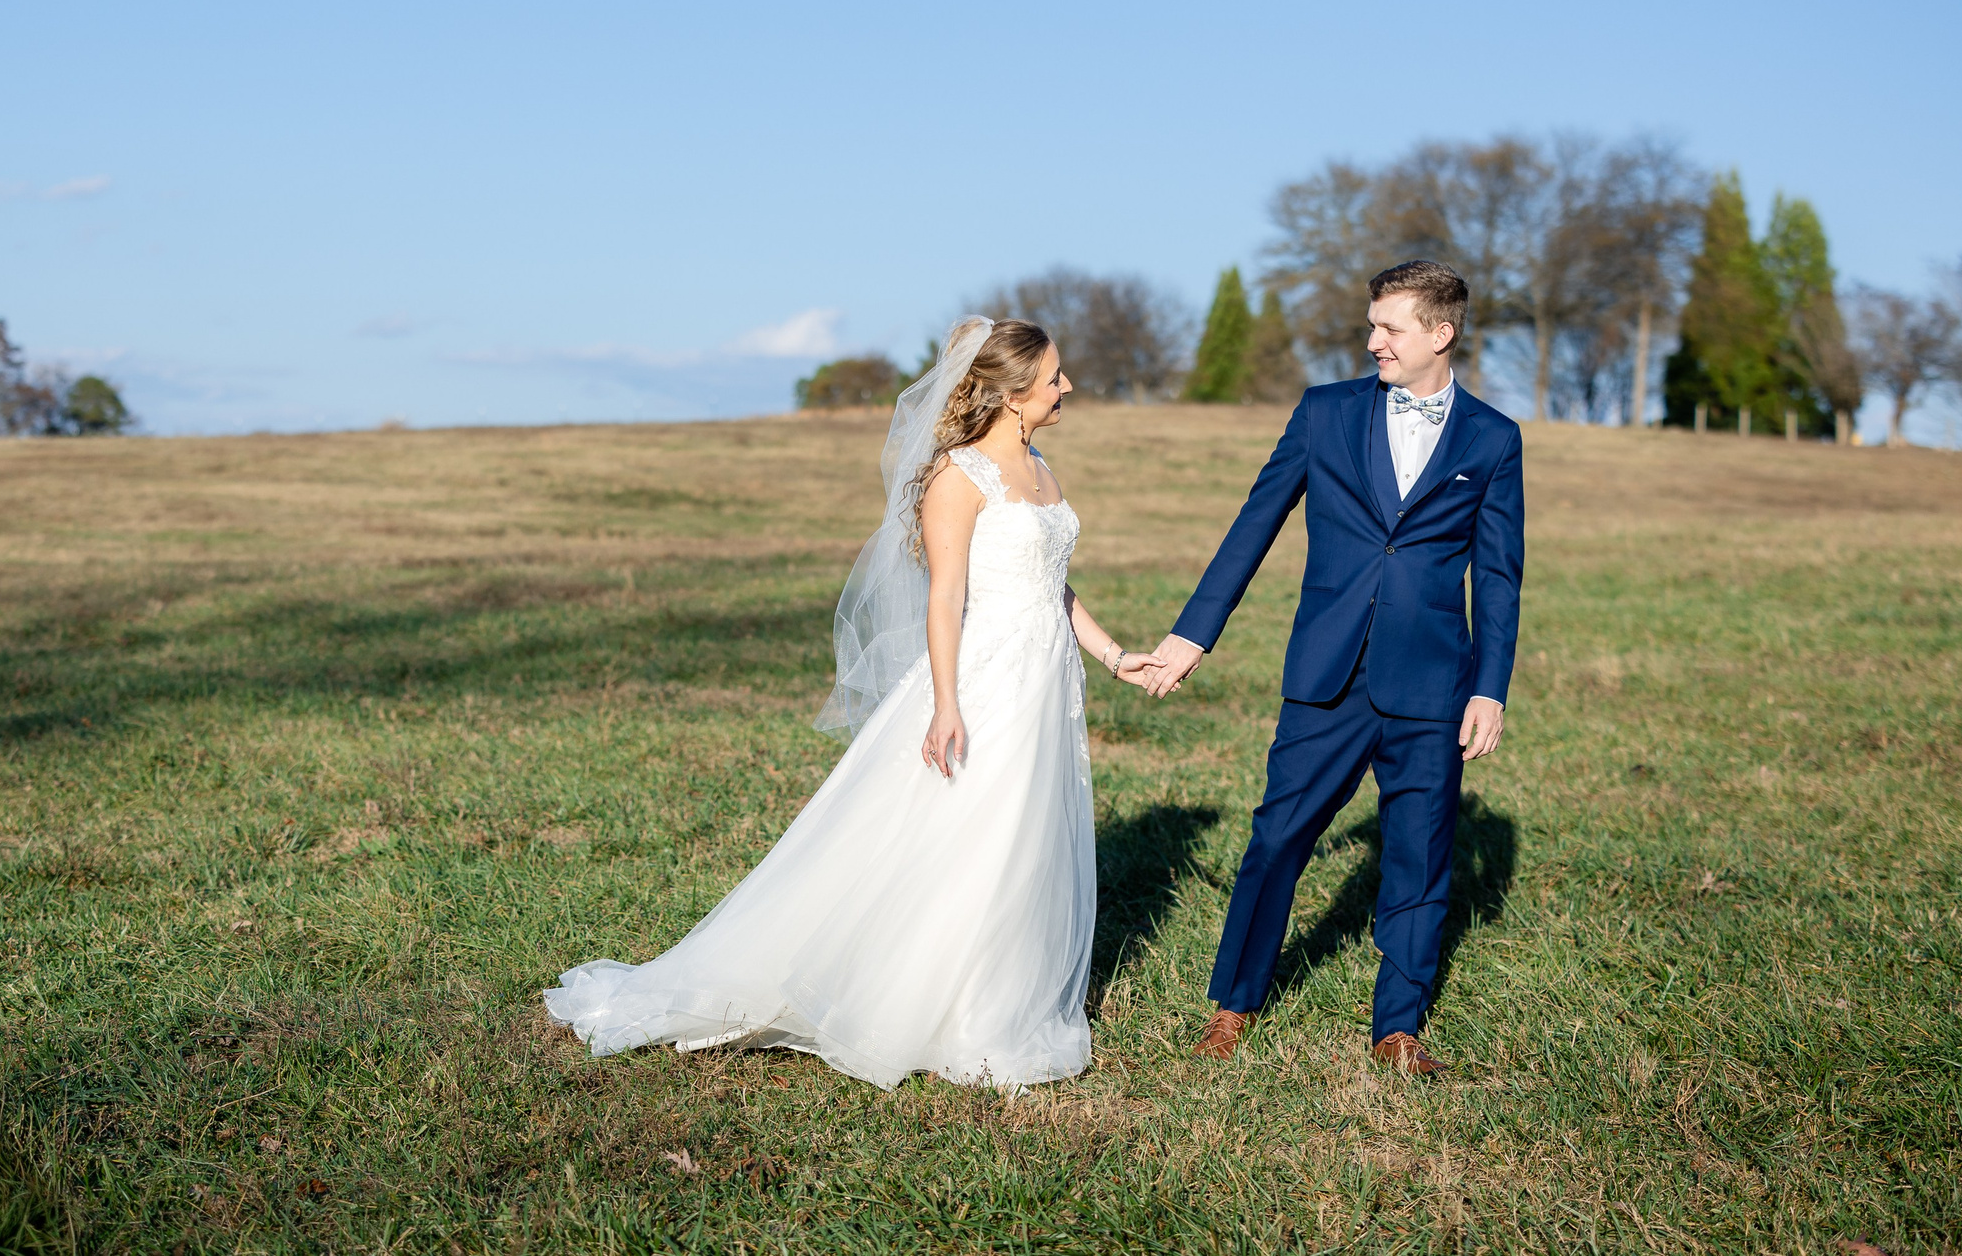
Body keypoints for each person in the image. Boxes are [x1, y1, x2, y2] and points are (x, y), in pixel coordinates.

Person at [545, 317, 1154, 1088]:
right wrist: (945, 703)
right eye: (1055, 377)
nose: (1068, 388)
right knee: (973, 836)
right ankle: (922, 1006)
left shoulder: (1038, 465)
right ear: (1009, 392)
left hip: (1046, 680)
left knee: (1023, 840)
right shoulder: (958, 477)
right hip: (983, 678)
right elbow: (944, 598)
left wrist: (1112, 654)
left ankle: (993, 999)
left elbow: (1051, 584)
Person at [1131, 259, 1523, 1076]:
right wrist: (1193, 634)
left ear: (1440, 334)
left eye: (1391, 326)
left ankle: (1398, 1029)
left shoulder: (1493, 438)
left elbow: (1498, 571)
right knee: (1277, 837)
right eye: (1372, 323)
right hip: (1327, 676)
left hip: (1432, 684)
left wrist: (1489, 684)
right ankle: (1233, 1006)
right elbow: (1255, 522)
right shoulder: (1324, 412)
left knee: (1419, 854)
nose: (1372, 338)